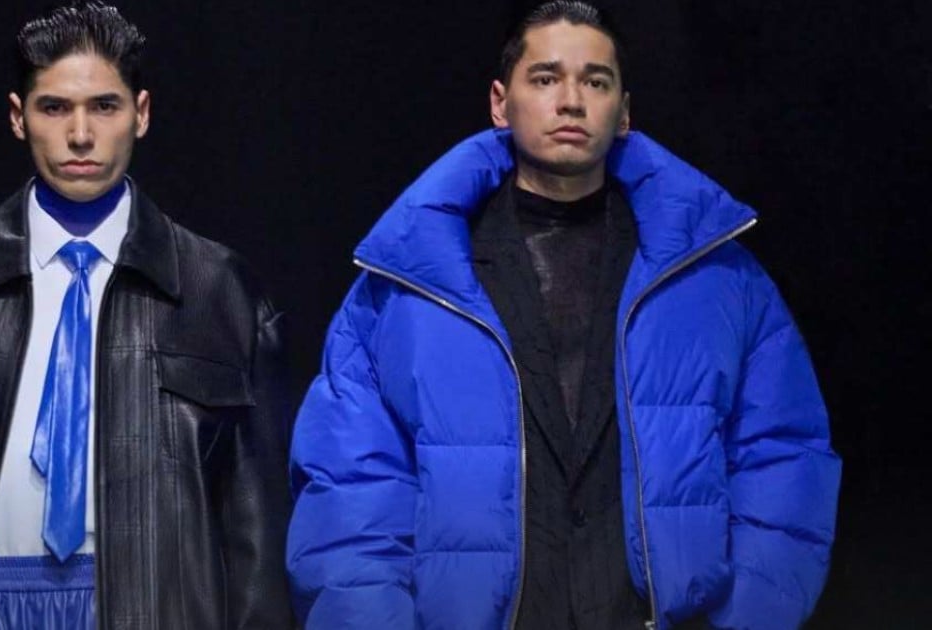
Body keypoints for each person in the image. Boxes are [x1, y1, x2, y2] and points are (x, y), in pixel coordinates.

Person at [286, 2, 839, 629]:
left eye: (595, 82)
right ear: (501, 103)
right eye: (546, 78)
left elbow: (782, 459)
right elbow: (351, 488)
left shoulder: (717, 279)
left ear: (623, 111)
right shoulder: (408, 286)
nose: (571, 101)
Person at [0, 3, 293, 628]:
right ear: (18, 117)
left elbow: (257, 522)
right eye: (54, 108)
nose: (80, 134)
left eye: (104, 106)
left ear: (142, 113)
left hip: (161, 609)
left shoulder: (221, 294)